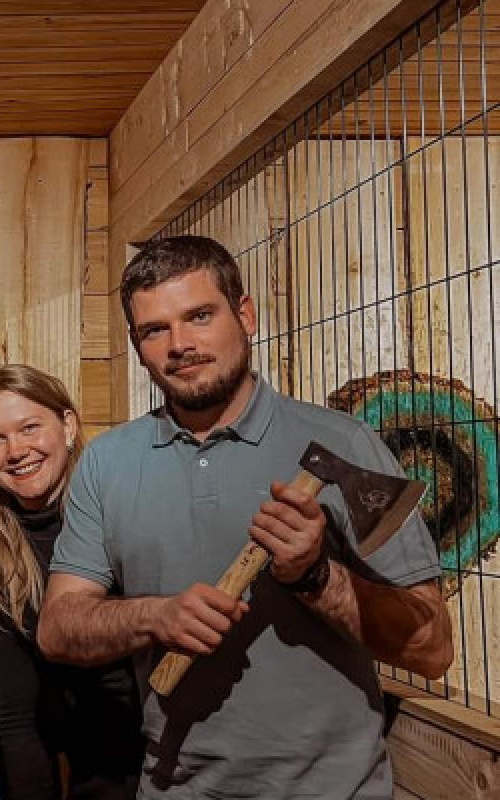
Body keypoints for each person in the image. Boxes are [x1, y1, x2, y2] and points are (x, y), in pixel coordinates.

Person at [37, 235, 454, 799]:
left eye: (200, 315)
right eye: (153, 330)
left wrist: (316, 576)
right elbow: (59, 629)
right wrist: (153, 616)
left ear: (246, 315)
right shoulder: (109, 462)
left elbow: (430, 649)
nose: (179, 344)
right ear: (137, 347)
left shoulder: (345, 443)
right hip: (175, 789)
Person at [0, 364, 142, 800]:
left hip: (166, 754)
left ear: (67, 425)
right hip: (83, 768)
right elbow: (15, 715)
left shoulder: (122, 507)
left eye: (29, 428)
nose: (15, 451)